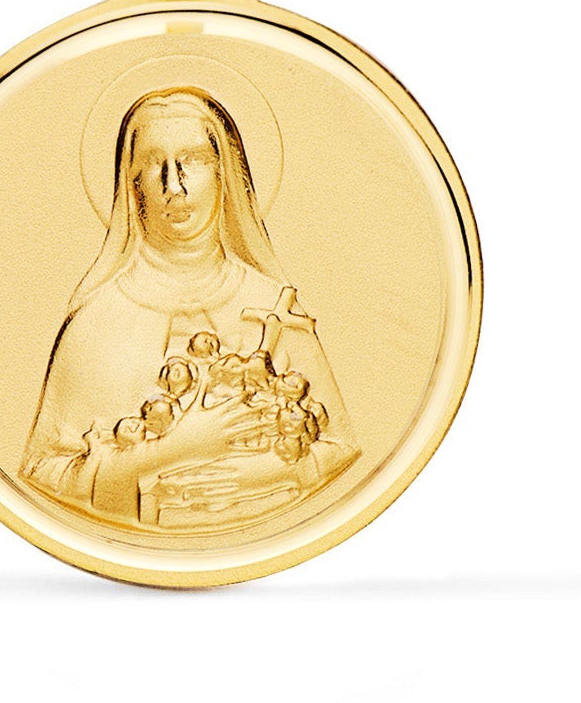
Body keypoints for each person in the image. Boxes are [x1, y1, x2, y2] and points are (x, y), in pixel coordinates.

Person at [21, 87, 357, 530]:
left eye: (193, 160)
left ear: (224, 174)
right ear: (132, 185)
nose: (173, 185)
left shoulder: (275, 307)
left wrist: (267, 471)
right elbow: (47, 476)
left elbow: (338, 450)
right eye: (152, 164)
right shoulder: (96, 322)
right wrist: (177, 448)